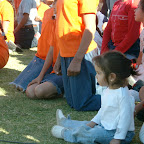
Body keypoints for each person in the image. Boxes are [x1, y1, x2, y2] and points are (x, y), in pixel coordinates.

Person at [51, 51, 136, 144]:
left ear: (112, 77)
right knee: (85, 124)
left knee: (91, 134)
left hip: (119, 135)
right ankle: (65, 123)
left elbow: (125, 119)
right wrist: (93, 122)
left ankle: (66, 133)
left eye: (99, 73)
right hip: (105, 126)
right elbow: (103, 110)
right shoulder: (108, 90)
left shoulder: (123, 96)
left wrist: (118, 138)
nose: (96, 76)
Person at [54, 0, 101, 111]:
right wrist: (59, 58)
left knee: (82, 103)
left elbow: (90, 27)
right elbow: (65, 25)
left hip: (81, 54)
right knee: (72, 103)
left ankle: (123, 98)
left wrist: (77, 60)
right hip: (67, 54)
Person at [10, 2, 58, 92]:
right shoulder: (48, 12)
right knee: (20, 85)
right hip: (42, 56)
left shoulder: (57, 12)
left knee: (30, 89)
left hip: (52, 58)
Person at [26, 0, 64, 99]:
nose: (53, 12)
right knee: (30, 91)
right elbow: (50, 53)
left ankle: (63, 89)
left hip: (63, 71)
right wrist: (40, 76)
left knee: (39, 91)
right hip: (54, 72)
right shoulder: (55, 26)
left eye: (55, 9)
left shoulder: (66, 27)